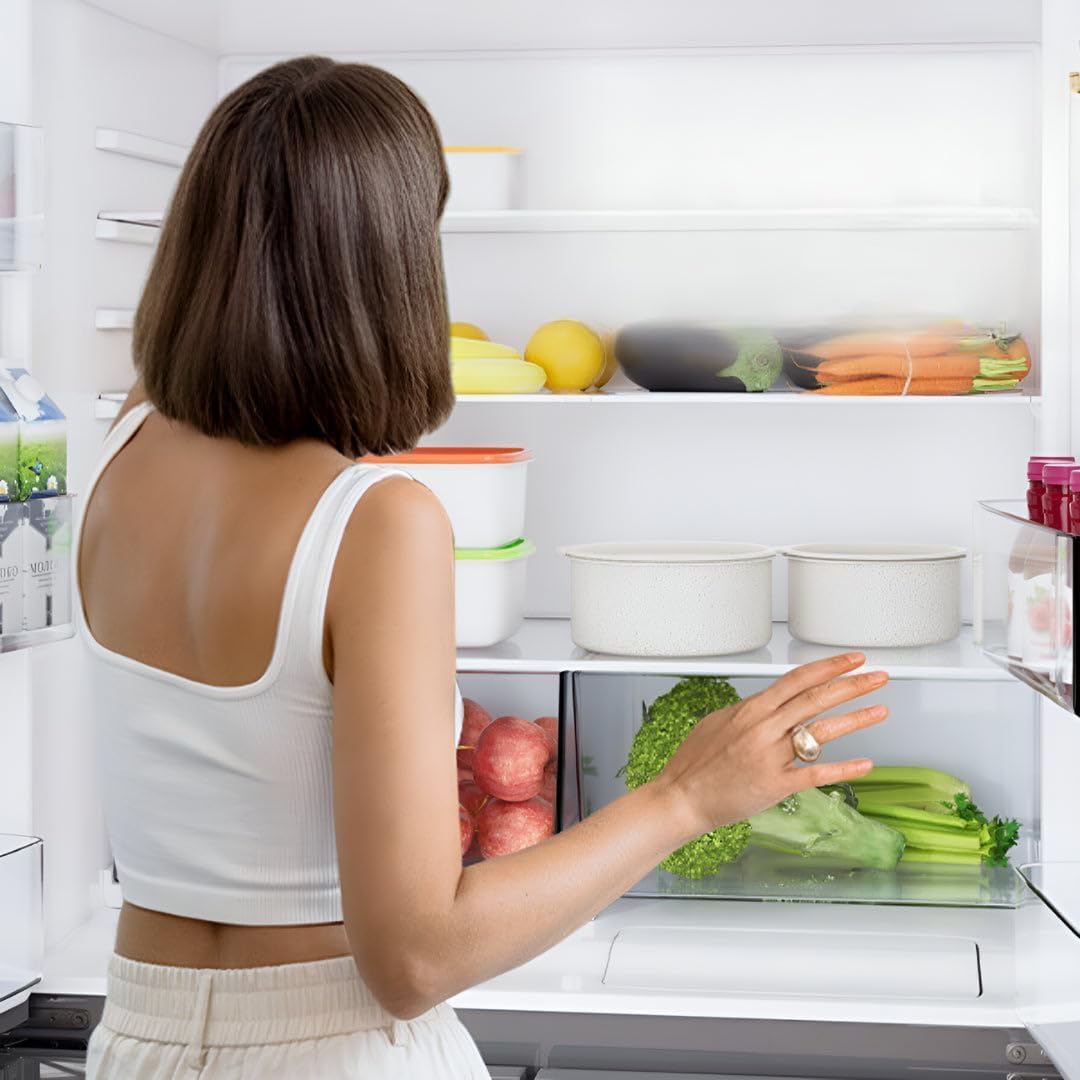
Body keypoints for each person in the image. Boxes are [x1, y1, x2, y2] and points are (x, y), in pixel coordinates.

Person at [77, 56, 888, 1078]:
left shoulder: (121, 440)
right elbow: (415, 958)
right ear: (387, 264)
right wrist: (685, 797)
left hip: (135, 1038)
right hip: (330, 1050)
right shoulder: (376, 523)